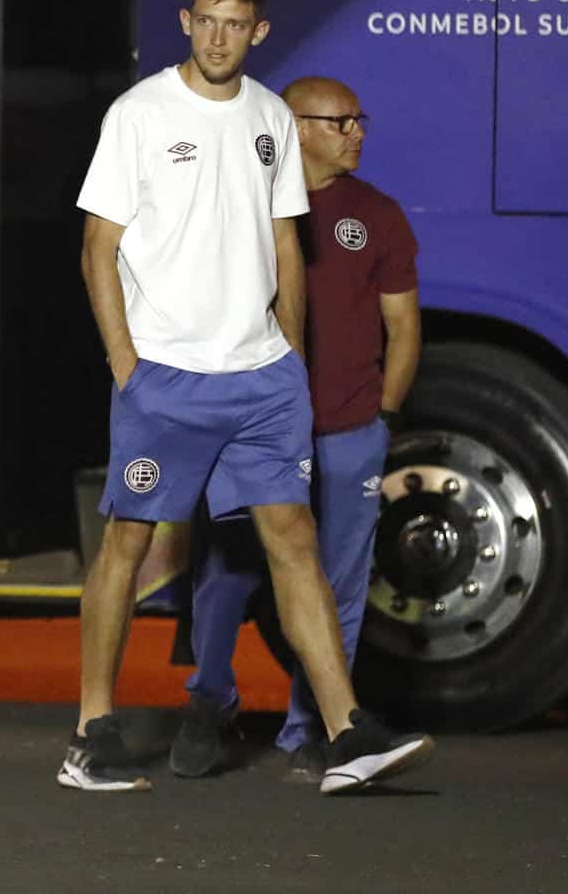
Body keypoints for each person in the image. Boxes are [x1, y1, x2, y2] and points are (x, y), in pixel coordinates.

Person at [60, 0, 432, 796]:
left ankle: (345, 732)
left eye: (238, 24)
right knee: (130, 541)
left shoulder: (270, 116)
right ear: (186, 21)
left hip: (261, 379)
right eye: (208, 21)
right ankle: (90, 733)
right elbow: (99, 247)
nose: (221, 37)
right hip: (168, 378)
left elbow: (286, 251)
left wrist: (291, 364)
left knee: (293, 540)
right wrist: (127, 365)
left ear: (258, 32)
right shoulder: (141, 114)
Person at [176, 75, 420, 782]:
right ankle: (208, 700)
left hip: (347, 430)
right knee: (225, 569)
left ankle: (308, 728)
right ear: (297, 126)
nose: (357, 133)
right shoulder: (238, 201)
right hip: (248, 427)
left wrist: (385, 416)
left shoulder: (378, 214)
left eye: (358, 119)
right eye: (341, 121)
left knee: (338, 582)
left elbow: (403, 327)